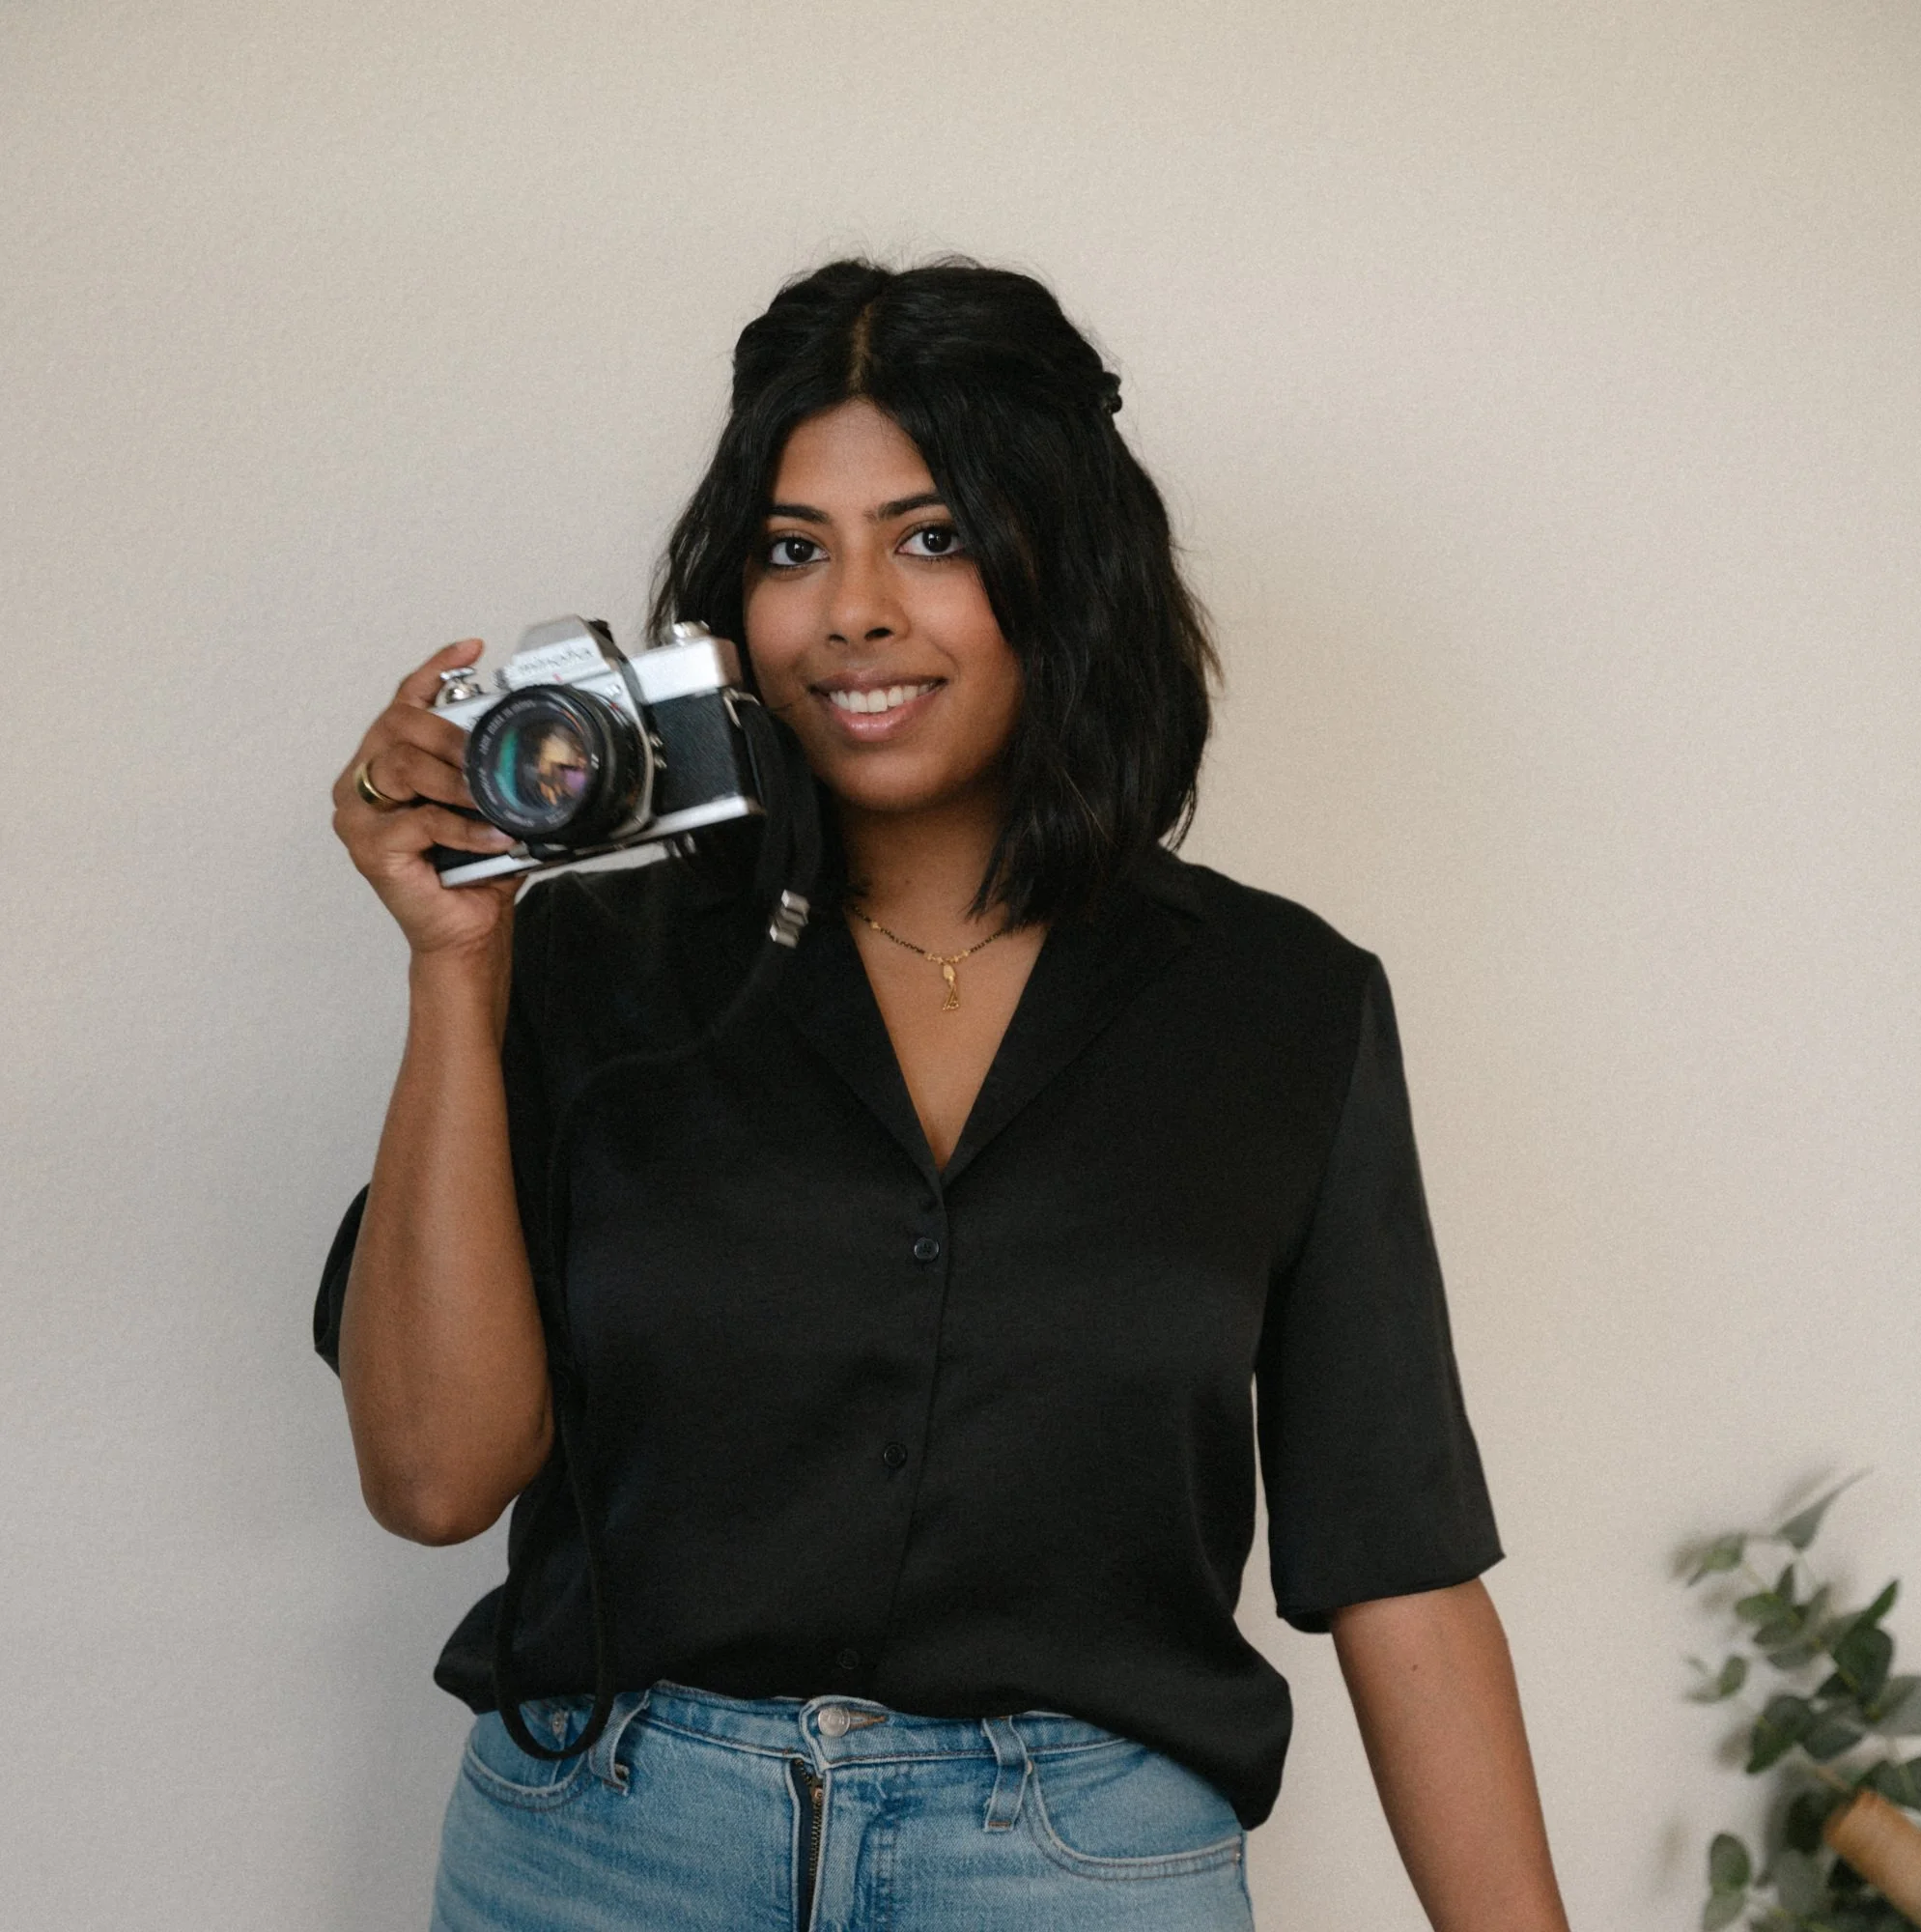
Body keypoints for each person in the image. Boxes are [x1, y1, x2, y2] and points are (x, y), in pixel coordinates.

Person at [320, 258, 1570, 1932]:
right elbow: (434, 1481)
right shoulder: (587, 966)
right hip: (606, 1857)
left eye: (934, 535)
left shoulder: (1283, 1007)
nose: (853, 610)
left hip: (1077, 1875)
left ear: (1070, 565)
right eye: (792, 548)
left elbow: (1398, 1559)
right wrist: (456, 969)